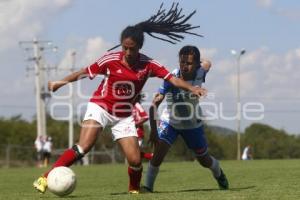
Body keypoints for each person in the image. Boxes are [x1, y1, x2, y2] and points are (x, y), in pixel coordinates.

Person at [33, 3, 207, 194]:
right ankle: (45, 178)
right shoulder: (110, 59)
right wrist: (60, 82)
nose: (128, 53)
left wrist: (192, 87)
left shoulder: (148, 64)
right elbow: (83, 72)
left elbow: (172, 79)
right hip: (101, 106)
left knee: (135, 160)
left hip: (124, 115)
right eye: (125, 48)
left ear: (139, 47)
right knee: (84, 147)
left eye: (132, 49)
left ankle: (134, 190)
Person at [143, 45, 229, 192]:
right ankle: (148, 188)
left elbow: (207, 63)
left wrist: (198, 59)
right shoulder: (171, 78)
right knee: (157, 155)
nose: (184, 66)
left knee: (204, 160)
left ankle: (219, 173)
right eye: (182, 62)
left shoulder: (200, 72)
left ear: (196, 64)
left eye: (189, 63)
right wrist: (153, 131)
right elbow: (153, 105)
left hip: (192, 124)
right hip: (170, 122)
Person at [132, 94, 153, 160]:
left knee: (133, 153)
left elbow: (145, 117)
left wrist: (136, 124)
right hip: (129, 132)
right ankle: (153, 156)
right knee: (131, 153)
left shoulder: (137, 105)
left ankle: (154, 157)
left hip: (138, 133)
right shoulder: (128, 106)